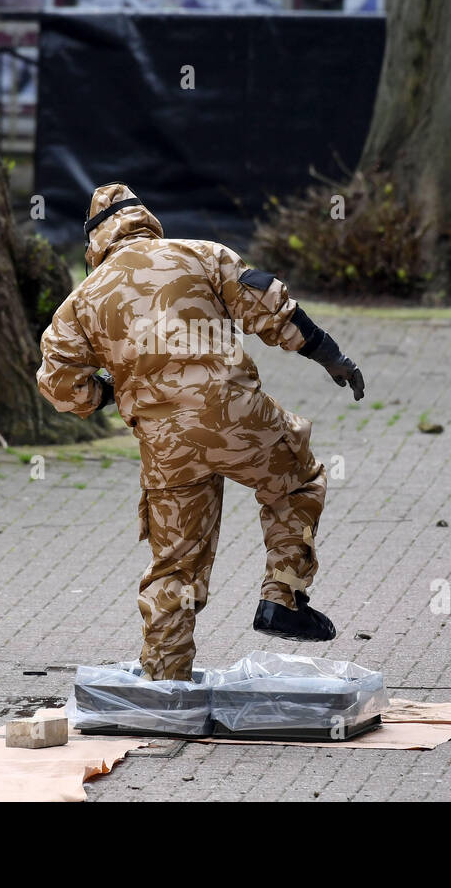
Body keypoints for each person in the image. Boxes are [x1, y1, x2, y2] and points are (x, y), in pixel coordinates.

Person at [37, 183, 366, 681]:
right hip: (236, 417)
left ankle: (164, 687)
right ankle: (283, 596)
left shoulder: (81, 300)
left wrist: (111, 393)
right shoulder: (199, 254)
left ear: (94, 245)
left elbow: (61, 386)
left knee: (174, 566)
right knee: (297, 479)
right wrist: (331, 357)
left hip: (166, 444)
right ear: (149, 223)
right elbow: (272, 305)